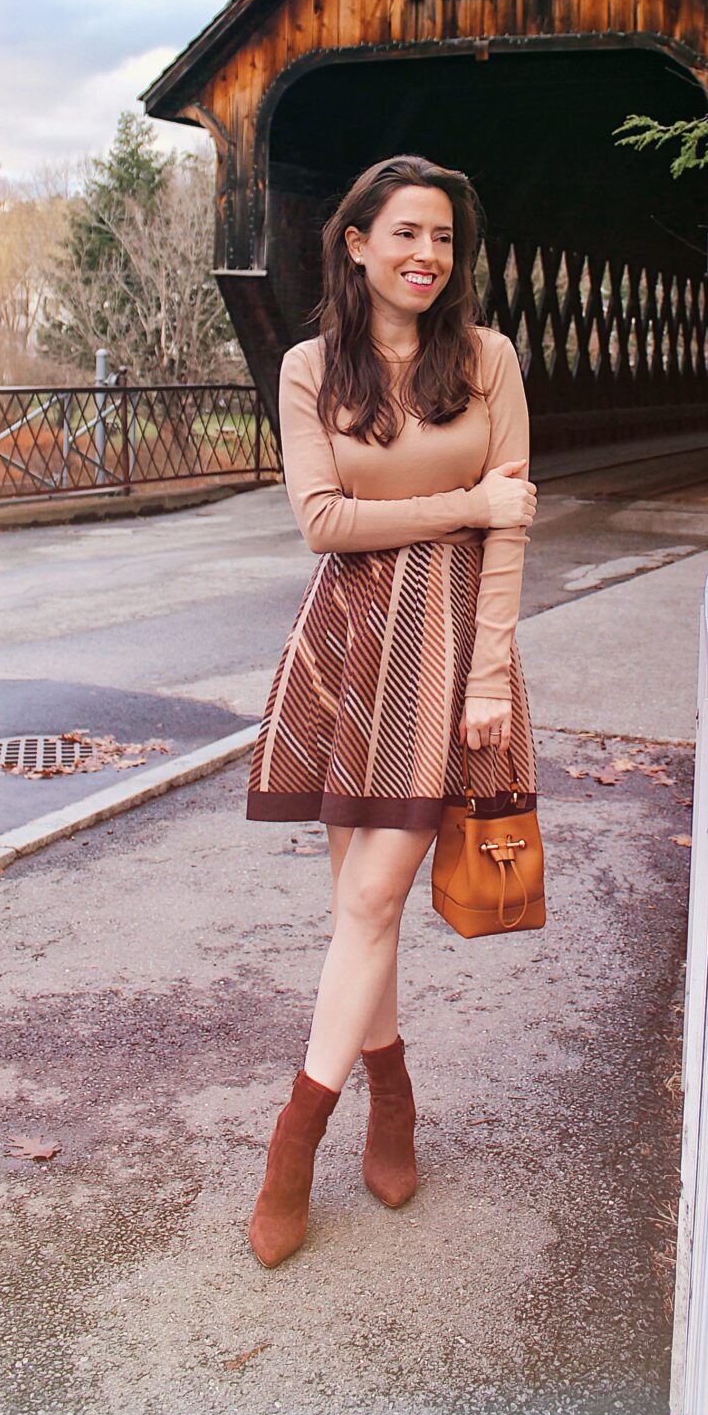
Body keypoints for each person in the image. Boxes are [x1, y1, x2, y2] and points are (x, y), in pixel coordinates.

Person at [242, 153, 539, 1268]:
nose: (427, 255)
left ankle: (292, 1146)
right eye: (406, 232)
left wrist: (494, 677)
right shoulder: (312, 367)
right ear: (356, 242)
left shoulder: (490, 359)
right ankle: (392, 1089)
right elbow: (322, 522)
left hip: (456, 644)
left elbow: (511, 531)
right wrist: (466, 498)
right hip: (352, 641)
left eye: (445, 238)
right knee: (354, 906)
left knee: (372, 894)